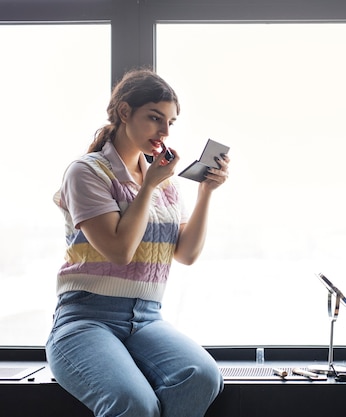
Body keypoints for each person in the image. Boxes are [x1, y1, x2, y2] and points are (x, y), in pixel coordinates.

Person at [45, 68, 228, 417]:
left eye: (171, 122)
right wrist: (148, 187)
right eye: (155, 118)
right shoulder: (86, 172)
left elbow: (186, 254)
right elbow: (118, 252)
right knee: (133, 404)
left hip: (147, 318)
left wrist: (206, 191)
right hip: (86, 317)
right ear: (125, 112)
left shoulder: (166, 183)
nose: (164, 131)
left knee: (202, 377)